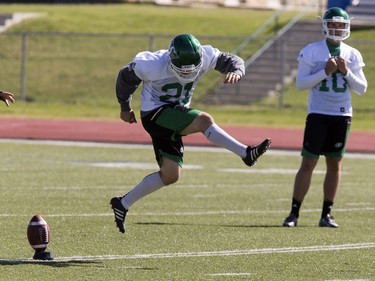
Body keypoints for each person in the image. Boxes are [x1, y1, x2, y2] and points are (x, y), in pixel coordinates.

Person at [110, 33, 271, 233]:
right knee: (204, 120)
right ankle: (246, 153)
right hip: (155, 113)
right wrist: (125, 107)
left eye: (191, 70)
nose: (186, 74)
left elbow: (232, 60)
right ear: (171, 60)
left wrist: (237, 70)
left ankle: (122, 204)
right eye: (181, 70)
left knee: (170, 175)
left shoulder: (204, 54)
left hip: (175, 112)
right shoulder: (152, 64)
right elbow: (125, 77)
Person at [282, 7, 367, 228]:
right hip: (318, 113)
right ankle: (294, 213)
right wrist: (325, 72)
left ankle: (327, 214)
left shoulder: (352, 53)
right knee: (308, 161)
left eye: (341, 25)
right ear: (325, 25)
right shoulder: (312, 50)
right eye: (333, 24)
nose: (337, 28)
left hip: (341, 114)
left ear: (346, 26)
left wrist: (347, 72)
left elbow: (362, 88)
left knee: (334, 163)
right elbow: (301, 84)